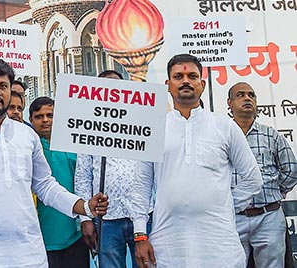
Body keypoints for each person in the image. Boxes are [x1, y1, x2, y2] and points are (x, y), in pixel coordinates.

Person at [0, 58, 108, 268]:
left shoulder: (27, 135)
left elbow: (45, 185)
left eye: (3, 86)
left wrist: (83, 206)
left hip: (31, 256)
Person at [132, 54, 263, 268]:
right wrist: (140, 235)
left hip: (219, 244)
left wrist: (224, 205)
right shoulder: (154, 128)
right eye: (178, 76)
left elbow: (253, 179)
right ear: (168, 85)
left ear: (202, 84)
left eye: (192, 76)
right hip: (168, 245)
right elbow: (140, 187)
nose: (185, 81)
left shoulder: (224, 126)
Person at [76, 69, 147, 268]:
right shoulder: (88, 127)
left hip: (141, 216)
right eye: (105, 87)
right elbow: (83, 176)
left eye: (117, 87)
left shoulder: (142, 123)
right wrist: (85, 218)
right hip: (105, 219)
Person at [228, 82, 297, 268]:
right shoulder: (222, 134)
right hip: (232, 218)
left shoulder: (271, 135)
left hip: (269, 217)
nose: (247, 98)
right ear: (230, 102)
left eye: (251, 95)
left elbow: (291, 169)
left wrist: (273, 190)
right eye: (240, 95)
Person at [30, 96, 87, 268]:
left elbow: (84, 184)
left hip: (75, 234)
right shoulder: (27, 148)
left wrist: (86, 219)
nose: (45, 120)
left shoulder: (74, 145)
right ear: (31, 119)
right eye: (39, 116)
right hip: (40, 239)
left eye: (50, 115)